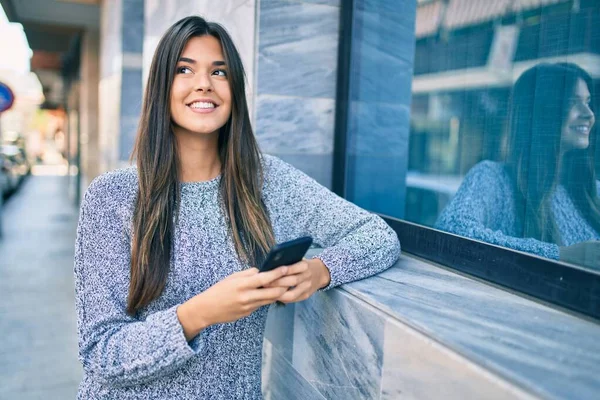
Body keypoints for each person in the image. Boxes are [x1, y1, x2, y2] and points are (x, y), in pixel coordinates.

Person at [74, 16, 400, 399]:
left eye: (219, 71)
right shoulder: (113, 196)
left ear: (235, 89)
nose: (203, 84)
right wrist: (200, 313)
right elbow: (100, 352)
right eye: (184, 69)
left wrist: (320, 271)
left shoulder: (266, 182)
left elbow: (379, 236)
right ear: (161, 86)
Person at [436, 63, 599, 269]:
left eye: (588, 102)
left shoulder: (594, 192)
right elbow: (451, 231)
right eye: (572, 102)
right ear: (540, 111)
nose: (589, 114)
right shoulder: (493, 179)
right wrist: (559, 255)